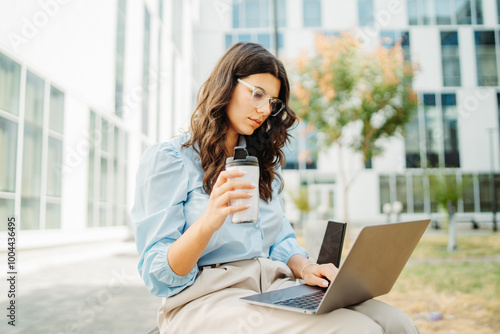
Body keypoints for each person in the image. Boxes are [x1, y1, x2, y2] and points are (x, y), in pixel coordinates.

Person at [131, 42, 419, 333]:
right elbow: (158, 275)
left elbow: (280, 241)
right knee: (358, 329)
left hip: (273, 286)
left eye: (272, 102)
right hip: (208, 299)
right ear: (226, 86)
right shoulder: (170, 160)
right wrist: (208, 222)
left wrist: (306, 267)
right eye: (257, 93)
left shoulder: (261, 164)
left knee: (397, 323)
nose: (264, 109)